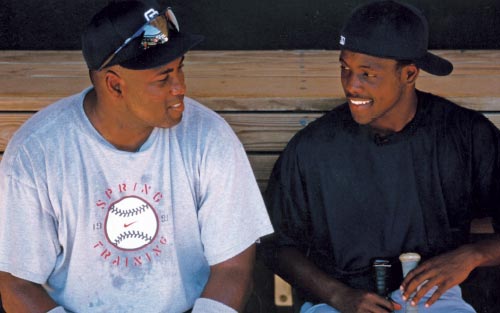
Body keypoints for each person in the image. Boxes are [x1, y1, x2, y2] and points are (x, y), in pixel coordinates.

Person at [0, 1, 273, 312]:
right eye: (163, 77)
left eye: (180, 67)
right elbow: (16, 283)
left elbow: (233, 269)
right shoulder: (37, 152)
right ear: (115, 85)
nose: (180, 87)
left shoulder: (209, 137)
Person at [262, 1, 500, 313]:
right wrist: (337, 296)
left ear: (409, 73)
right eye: (345, 69)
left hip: (436, 300)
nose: (351, 85)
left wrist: (472, 255)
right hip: (341, 302)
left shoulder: (466, 135)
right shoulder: (314, 147)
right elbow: (275, 244)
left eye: (367, 73)